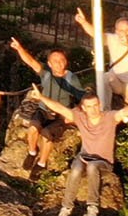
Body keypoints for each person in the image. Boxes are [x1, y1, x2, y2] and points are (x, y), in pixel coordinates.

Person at [27, 83, 125, 216]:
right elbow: (60, 108)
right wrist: (42, 97)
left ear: (99, 104)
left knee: (92, 166)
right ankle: (66, 207)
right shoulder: (80, 117)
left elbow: (123, 112)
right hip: (84, 157)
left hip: (103, 162)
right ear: (84, 108)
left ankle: (92, 207)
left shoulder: (109, 117)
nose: (93, 109)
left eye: (95, 105)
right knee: (76, 169)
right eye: (89, 106)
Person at [7, 36, 82, 170]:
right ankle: (32, 152)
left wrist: (74, 115)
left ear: (66, 62)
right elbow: (30, 61)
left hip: (60, 115)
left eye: (61, 60)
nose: (59, 64)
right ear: (49, 63)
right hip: (43, 110)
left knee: (47, 135)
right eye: (55, 61)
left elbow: (82, 97)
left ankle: (42, 163)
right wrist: (19, 48)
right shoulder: (46, 72)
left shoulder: (71, 78)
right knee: (33, 129)